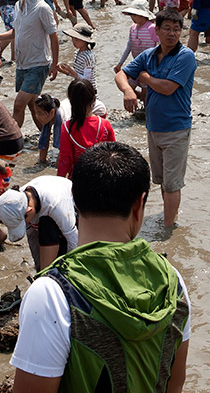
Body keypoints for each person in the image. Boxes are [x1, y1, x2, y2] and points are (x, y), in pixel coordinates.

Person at [10, 142, 191, 392]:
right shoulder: (173, 282)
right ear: (139, 206)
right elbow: (176, 382)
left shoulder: (51, 294)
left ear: (75, 199)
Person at [115, 8, 197, 228]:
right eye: (167, 29)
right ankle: (169, 218)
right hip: (153, 127)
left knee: (172, 185)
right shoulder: (149, 55)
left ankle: (168, 229)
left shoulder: (185, 56)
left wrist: (146, 79)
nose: (172, 34)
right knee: (161, 181)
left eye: (176, 30)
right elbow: (121, 74)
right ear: (157, 30)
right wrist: (128, 91)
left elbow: (168, 88)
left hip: (176, 129)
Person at [5, 0, 58, 131]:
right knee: (33, 106)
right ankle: (48, 135)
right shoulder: (18, 5)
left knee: (18, 104)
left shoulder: (42, 8)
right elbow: (15, 32)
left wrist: (54, 64)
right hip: (22, 64)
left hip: (38, 64)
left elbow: (53, 37)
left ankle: (12, 141)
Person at [0, 173, 78, 271]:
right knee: (42, 266)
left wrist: (69, 270)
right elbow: (32, 235)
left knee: (47, 225)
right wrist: (40, 269)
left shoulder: (57, 207)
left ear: (29, 210)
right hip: (44, 211)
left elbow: (74, 242)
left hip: (74, 211)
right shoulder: (16, 199)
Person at [56, 78, 114, 179]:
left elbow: (65, 159)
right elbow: (113, 153)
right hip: (102, 178)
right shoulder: (105, 124)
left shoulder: (66, 128)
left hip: (78, 179)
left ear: (70, 100)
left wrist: (59, 181)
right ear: (94, 99)